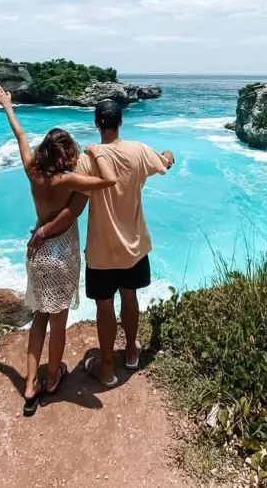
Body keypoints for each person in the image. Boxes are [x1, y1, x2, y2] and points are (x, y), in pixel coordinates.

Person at [0, 85, 118, 416]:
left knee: (38, 322)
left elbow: (19, 135)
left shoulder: (33, 172)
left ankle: (30, 386)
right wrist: (96, 153)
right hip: (62, 254)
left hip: (37, 252)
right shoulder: (68, 181)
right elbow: (108, 180)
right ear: (66, 152)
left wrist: (8, 106)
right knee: (58, 324)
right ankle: (52, 379)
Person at [41, 99, 174, 387]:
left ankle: (106, 369)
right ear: (121, 122)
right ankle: (131, 352)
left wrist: (45, 229)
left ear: (96, 124)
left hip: (101, 252)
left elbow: (73, 207)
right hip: (135, 246)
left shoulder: (89, 159)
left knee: (105, 306)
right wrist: (167, 152)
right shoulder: (139, 150)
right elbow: (165, 163)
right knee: (130, 297)